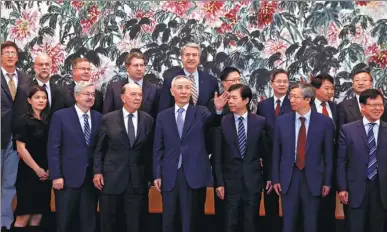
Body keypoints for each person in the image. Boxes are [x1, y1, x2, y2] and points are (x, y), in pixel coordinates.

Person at [153, 75, 228, 232]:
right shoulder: (163, 116)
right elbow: (158, 147)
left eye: (187, 88)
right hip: (170, 174)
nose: (183, 91)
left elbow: (213, 122)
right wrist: (157, 174)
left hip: (194, 174)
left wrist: (219, 110)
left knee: (191, 222)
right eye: (179, 88)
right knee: (169, 220)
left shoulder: (200, 112)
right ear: (172, 91)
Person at [272, 83, 334, 232]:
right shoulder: (282, 121)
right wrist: (276, 178)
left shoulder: (324, 122)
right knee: (288, 224)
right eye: (290, 96)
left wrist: (327, 181)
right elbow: (276, 152)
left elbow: (328, 154)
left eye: (295, 97)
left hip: (313, 178)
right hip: (289, 178)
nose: (291, 100)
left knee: (311, 224)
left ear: (307, 99)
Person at [93, 83, 154, 232]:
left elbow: (150, 151)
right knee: (109, 224)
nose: (137, 98)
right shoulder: (108, 119)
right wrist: (97, 172)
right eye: (133, 95)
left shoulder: (148, 120)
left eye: (140, 95)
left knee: (135, 225)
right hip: (111, 180)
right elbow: (99, 149)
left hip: (137, 182)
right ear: (122, 97)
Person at [47, 81, 102, 232]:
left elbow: (99, 149)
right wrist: (56, 175)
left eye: (92, 94)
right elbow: (53, 148)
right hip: (66, 180)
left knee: (88, 224)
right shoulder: (61, 116)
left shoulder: (99, 118)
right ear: (76, 96)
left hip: (90, 181)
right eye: (87, 94)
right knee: (64, 223)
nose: (91, 97)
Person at [213, 84, 267, 232]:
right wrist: (219, 183)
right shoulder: (222, 122)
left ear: (246, 100)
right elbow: (217, 157)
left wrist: (268, 178)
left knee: (251, 224)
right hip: (229, 184)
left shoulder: (260, 122)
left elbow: (266, 154)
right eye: (229, 98)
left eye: (234, 98)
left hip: (253, 183)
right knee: (230, 224)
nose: (230, 101)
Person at [337, 89, 387, 232]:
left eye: (380, 105)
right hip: (355, 189)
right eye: (373, 105)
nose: (378, 108)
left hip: (381, 190)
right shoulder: (348, 130)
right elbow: (341, 161)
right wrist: (342, 188)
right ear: (363, 107)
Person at [256, 69, 291, 232]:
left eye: (285, 81)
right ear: (272, 84)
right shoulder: (263, 105)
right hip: (268, 159)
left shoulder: (293, 103)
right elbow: (259, 132)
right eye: (279, 81)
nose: (282, 84)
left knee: (289, 204)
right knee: (270, 202)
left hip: (290, 159)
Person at [12, 86, 51, 232]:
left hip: (46, 174)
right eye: (37, 97)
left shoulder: (49, 120)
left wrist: (47, 170)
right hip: (28, 173)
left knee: (38, 216)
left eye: (44, 97)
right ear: (29, 100)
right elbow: (21, 149)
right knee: (24, 215)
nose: (41, 100)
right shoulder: (22, 120)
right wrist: (37, 170)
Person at [1, 41, 31, 231]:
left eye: (13, 52)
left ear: (17, 57)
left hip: (16, 138)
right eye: (6, 52)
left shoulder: (26, 78)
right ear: (1, 56)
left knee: (9, 183)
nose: (10, 55)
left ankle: (4, 222)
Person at [208, 67, 240, 232]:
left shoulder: (246, 101)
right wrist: (218, 110)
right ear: (223, 83)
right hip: (222, 166)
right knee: (224, 218)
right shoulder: (215, 102)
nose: (236, 83)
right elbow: (210, 129)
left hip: (242, 171)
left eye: (238, 80)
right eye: (232, 80)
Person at [310, 73, 338, 232]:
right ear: (315, 89)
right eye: (326, 88)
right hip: (312, 166)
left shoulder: (335, 107)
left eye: (332, 89)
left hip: (331, 165)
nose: (330, 92)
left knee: (329, 209)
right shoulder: (307, 107)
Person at [158, 42, 219, 112]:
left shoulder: (211, 81)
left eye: (194, 55)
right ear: (182, 58)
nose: (191, 58)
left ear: (199, 58)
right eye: (187, 55)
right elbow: (164, 110)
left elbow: (215, 109)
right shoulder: (170, 80)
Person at [13, 53, 73, 118]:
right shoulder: (24, 90)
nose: (44, 67)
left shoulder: (61, 91)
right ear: (34, 68)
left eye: (47, 64)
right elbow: (18, 117)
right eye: (41, 65)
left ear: (51, 68)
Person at [103, 52, 159, 119]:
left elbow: (157, 117)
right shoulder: (114, 88)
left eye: (142, 65)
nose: (139, 69)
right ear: (127, 67)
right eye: (136, 65)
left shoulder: (154, 90)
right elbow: (107, 116)